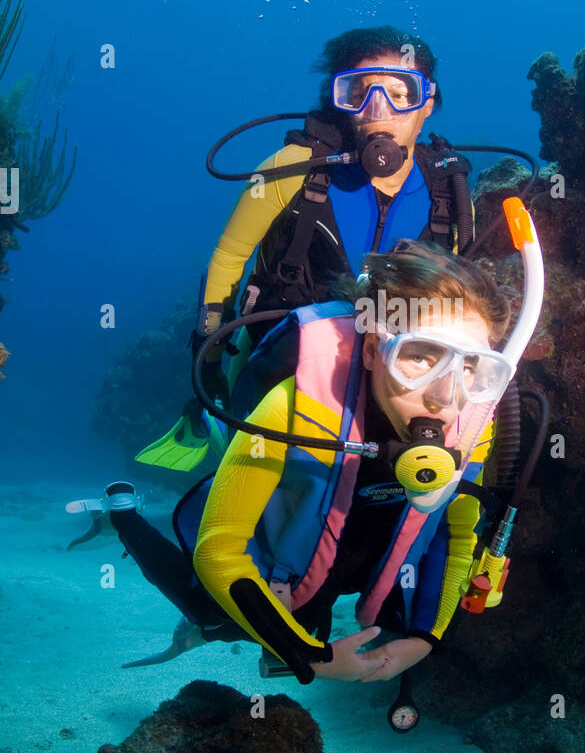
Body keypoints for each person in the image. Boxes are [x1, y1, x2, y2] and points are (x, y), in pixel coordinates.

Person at [83, 241, 514, 686]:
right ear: (371, 350)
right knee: (210, 614)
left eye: (470, 366)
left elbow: (457, 534)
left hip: (355, 561)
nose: (444, 397)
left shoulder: (474, 422)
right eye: (420, 356)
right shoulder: (290, 406)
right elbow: (219, 550)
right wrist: (306, 655)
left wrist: (426, 637)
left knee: (323, 610)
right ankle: (125, 518)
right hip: (281, 550)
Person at [138, 25, 476, 472]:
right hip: (285, 360)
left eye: (401, 92)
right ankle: (205, 429)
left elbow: (458, 293)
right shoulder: (293, 168)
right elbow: (229, 257)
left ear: (427, 103)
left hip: (395, 376)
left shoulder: (449, 190)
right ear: (337, 101)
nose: (379, 109)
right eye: (358, 92)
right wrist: (211, 357)